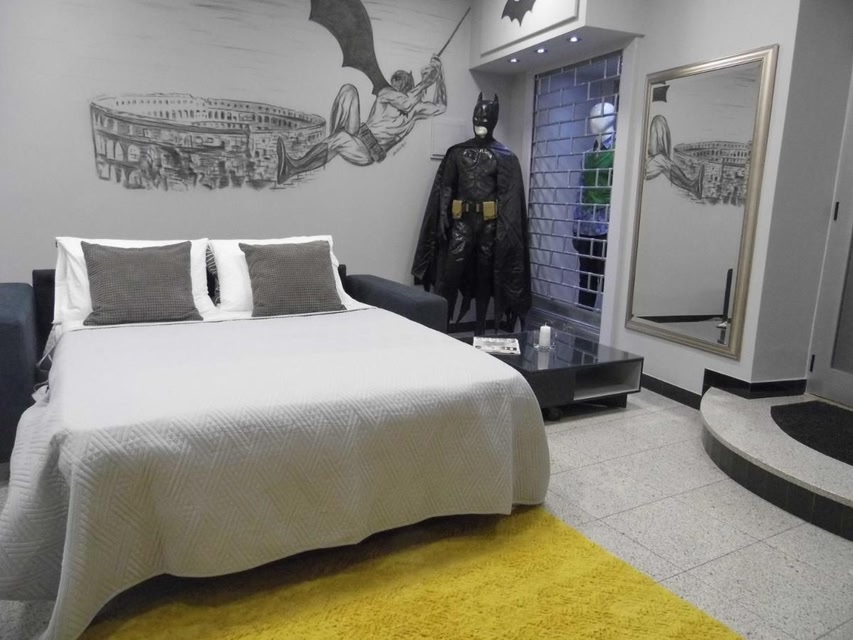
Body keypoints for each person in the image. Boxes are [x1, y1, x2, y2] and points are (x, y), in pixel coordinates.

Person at [412, 93, 531, 335]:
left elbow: (509, 199)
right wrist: (443, 214)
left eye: (485, 118)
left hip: (489, 226)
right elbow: (446, 186)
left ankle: (480, 330)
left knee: (485, 276)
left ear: (494, 120)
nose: (480, 122)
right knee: (450, 274)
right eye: (477, 117)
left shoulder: (505, 157)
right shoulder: (457, 153)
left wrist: (503, 231)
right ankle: (442, 328)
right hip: (461, 224)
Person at [277, 56, 446, 182]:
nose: (394, 87)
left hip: (367, 151)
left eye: (398, 84)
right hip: (358, 133)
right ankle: (310, 156)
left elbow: (440, 107)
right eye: (393, 83)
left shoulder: (416, 109)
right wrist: (428, 81)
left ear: (406, 85)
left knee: (340, 139)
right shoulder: (386, 94)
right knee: (348, 90)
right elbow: (407, 103)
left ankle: (294, 167)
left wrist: (440, 77)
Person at [573, 101, 615, 309]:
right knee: (586, 283)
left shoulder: (619, 153)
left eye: (598, 116)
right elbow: (581, 191)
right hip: (586, 228)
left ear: (611, 119)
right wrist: (576, 227)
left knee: (608, 283)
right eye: (592, 116)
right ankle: (583, 324)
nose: (593, 121)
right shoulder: (588, 155)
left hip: (607, 230)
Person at [645, 114, 704, 198]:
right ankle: (690, 183)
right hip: (642, 169)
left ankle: (692, 189)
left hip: (646, 164)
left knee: (665, 168)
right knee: (662, 160)